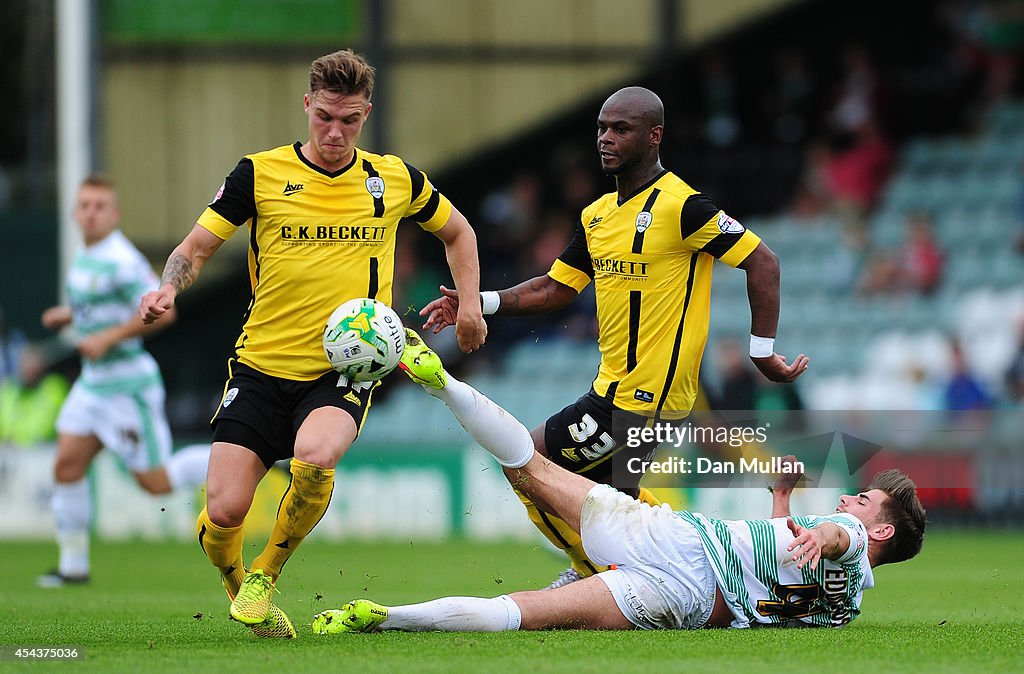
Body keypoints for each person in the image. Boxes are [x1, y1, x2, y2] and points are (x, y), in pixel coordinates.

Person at [139, 49, 486, 639]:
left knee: (316, 455)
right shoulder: (260, 174)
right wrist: (168, 288)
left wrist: (472, 306)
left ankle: (266, 575)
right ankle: (242, 592)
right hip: (259, 367)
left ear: (366, 115)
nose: (334, 131)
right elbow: (193, 249)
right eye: (325, 116)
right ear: (307, 105)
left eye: (349, 120)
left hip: (344, 367)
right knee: (224, 513)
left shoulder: (393, 178)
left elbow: (458, 231)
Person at [419, 86, 808, 587]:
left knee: (538, 466)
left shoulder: (685, 207)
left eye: (620, 129)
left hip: (653, 395)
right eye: (602, 128)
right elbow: (554, 289)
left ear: (654, 136)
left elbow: (763, 261)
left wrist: (762, 352)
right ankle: (654, 571)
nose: (606, 138)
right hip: (610, 388)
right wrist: (476, 302)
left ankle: (610, 578)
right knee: (586, 492)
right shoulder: (597, 215)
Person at [312, 333, 926, 633]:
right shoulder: (842, 611)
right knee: (527, 615)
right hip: (686, 606)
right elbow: (778, 569)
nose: (851, 498)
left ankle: (440, 379)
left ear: (880, 528)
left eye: (864, 500)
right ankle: (388, 617)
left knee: (528, 466)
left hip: (676, 543)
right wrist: (784, 502)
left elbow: (837, 537)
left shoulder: (844, 539)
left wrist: (824, 532)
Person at [38, 175, 210, 588]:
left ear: (113, 215)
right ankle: (73, 566)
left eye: (100, 206)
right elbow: (104, 305)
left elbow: (164, 313)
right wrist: (71, 315)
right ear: (76, 212)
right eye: (85, 205)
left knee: (155, 482)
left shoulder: (122, 259)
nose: (91, 213)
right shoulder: (85, 254)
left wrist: (107, 338)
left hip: (126, 387)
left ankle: (248, 454)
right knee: (66, 466)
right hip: (93, 385)